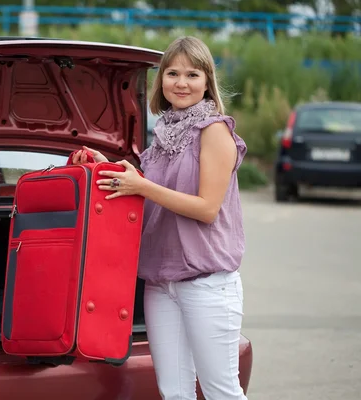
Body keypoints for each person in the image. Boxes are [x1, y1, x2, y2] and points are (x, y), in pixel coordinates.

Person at [71, 36, 248, 400]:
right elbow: (144, 201)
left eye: (192, 74)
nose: (181, 83)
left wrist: (142, 186)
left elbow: (206, 208)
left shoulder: (214, 132)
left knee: (222, 393)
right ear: (161, 81)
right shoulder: (162, 138)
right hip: (160, 283)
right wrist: (104, 169)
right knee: (174, 393)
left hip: (207, 284)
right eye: (172, 73)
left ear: (207, 81)